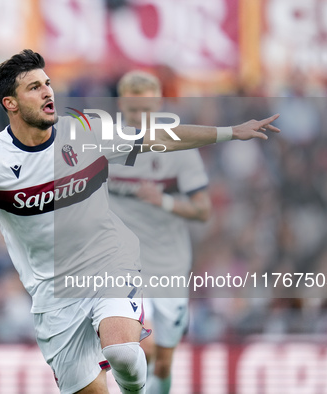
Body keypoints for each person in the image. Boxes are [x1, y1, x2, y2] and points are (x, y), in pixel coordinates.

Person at [0, 50, 280, 394]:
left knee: (123, 351)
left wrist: (229, 132)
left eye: (47, 84)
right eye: (34, 88)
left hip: (108, 262)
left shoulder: (82, 129)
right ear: (10, 102)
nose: (47, 93)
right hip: (52, 295)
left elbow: (157, 136)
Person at [108, 70, 210, 393]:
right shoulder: (104, 147)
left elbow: (203, 209)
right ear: (122, 105)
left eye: (148, 109)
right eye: (135, 109)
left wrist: (164, 201)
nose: (141, 117)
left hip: (169, 266)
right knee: (143, 348)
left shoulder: (180, 149)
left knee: (163, 362)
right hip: (126, 266)